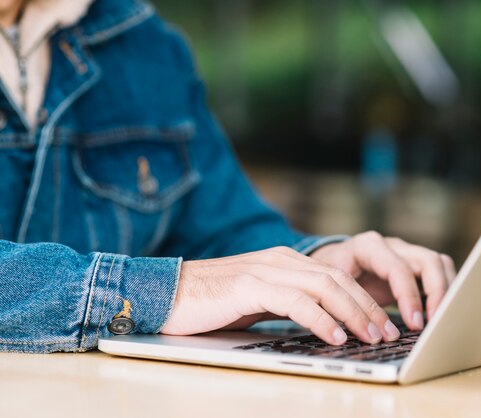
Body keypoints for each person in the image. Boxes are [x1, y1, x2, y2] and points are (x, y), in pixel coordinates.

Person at [0, 0, 456, 354]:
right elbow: (187, 284)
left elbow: (217, 223)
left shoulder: (145, 45)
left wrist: (321, 266)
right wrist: (168, 292)